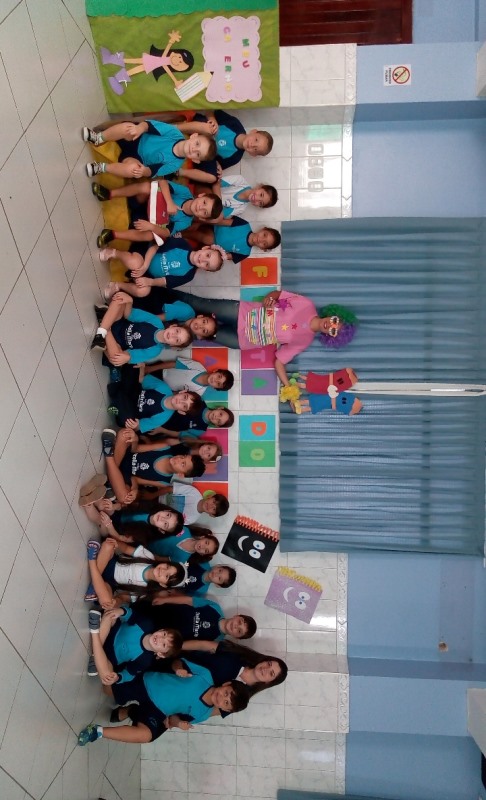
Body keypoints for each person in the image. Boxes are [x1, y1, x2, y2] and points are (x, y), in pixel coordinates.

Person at [157, 288, 359, 384]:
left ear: (331, 336)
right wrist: (269, 300)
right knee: (199, 304)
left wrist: (288, 389)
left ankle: (156, 333)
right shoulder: (307, 304)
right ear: (332, 314)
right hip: (241, 312)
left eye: (334, 330)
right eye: (335, 320)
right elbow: (277, 294)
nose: (330, 325)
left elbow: (279, 362)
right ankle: (157, 293)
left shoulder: (304, 341)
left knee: (197, 333)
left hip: (241, 340)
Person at [77, 664, 250, 744]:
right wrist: (178, 669)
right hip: (147, 683)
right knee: (106, 689)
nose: (221, 698)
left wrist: (178, 724)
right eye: (226, 693)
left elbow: (172, 719)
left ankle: (97, 732)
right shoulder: (204, 675)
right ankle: (131, 709)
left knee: (146, 736)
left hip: (157, 711)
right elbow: (177, 661)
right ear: (226, 684)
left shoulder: (202, 714)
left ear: (225, 709)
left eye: (226, 703)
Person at [94, 180, 223, 246]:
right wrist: (169, 202)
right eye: (204, 203)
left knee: (150, 236)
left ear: (202, 218)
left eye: (204, 212)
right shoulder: (185, 192)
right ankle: (109, 194)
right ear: (201, 195)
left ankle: (112, 235)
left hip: (144, 220)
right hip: (142, 201)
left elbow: (167, 232)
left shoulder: (186, 222)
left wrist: (151, 226)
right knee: (147, 186)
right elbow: (162, 182)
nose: (200, 208)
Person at [100, 428, 206, 506]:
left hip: (125, 475)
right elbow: (136, 449)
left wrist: (135, 490)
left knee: (124, 498)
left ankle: (109, 455)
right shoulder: (164, 448)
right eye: (183, 457)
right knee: (125, 434)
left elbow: (135, 479)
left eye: (182, 464)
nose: (178, 459)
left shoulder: (164, 482)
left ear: (180, 474)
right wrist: (135, 439)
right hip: (125, 454)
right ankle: (111, 478)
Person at [82, 119, 216, 179]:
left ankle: (101, 167)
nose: (193, 149)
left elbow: (153, 171)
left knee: (133, 170)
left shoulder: (175, 165)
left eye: (197, 154)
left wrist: (143, 171)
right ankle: (98, 138)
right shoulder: (174, 133)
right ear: (194, 136)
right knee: (128, 128)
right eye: (197, 144)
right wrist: (139, 128)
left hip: (136, 158)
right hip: (136, 138)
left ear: (196, 160)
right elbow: (149, 125)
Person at [90, 291, 193, 364]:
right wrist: (129, 301)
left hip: (116, 342)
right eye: (177, 331)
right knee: (121, 299)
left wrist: (126, 358)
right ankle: (102, 332)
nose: (173, 335)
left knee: (116, 360)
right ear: (173, 326)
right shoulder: (155, 322)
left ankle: (105, 324)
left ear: (173, 345)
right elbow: (129, 315)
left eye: (177, 340)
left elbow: (129, 356)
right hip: (117, 322)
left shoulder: (154, 351)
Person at [170, 640, 288, 703]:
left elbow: (211, 709)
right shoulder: (239, 654)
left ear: (269, 682)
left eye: (271, 673)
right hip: (175, 659)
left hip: (176, 689)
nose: (266, 669)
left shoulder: (242, 697)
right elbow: (203, 645)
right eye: (269, 664)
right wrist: (173, 648)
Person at [175, 110, 273, 185]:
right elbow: (210, 111)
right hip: (200, 131)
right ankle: (175, 128)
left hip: (202, 153)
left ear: (253, 154)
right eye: (256, 140)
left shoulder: (236, 158)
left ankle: (180, 172)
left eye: (255, 149)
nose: (252, 145)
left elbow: (216, 161)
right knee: (208, 129)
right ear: (253, 131)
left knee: (213, 178)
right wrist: (212, 120)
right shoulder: (235, 124)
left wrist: (218, 166)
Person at [87, 605, 182, 682]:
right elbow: (130, 613)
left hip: (109, 656)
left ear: (160, 654)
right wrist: (120, 611)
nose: (160, 639)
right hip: (111, 630)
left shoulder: (145, 661)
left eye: (164, 644)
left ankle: (95, 636)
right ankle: (96, 654)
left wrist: (118, 677)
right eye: (164, 634)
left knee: (107, 676)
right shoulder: (146, 624)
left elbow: (130, 674)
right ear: (161, 630)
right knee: (110, 615)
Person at [85, 537, 186, 609]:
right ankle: (94, 579)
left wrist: (115, 603)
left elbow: (122, 598)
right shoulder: (148, 556)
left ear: (163, 584)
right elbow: (125, 548)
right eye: (167, 567)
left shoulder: (144, 592)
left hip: (109, 582)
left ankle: (93, 563)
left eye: (167, 576)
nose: (163, 570)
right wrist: (117, 544)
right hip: (110, 562)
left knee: (107, 602)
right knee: (108, 545)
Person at [98, 239, 224, 295]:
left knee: (143, 291)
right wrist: (145, 265)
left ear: (204, 269)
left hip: (148, 275)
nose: (203, 259)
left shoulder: (189, 275)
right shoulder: (182, 244)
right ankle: (114, 253)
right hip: (145, 256)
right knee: (135, 263)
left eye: (206, 264)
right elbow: (155, 247)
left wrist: (149, 282)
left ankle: (118, 285)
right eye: (207, 255)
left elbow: (165, 281)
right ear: (205, 248)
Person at [132, 596, 257, 649]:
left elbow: (192, 645)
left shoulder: (215, 641)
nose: (235, 626)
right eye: (239, 622)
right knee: (132, 611)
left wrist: (171, 649)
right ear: (237, 616)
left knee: (135, 632)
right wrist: (165, 599)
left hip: (162, 634)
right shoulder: (215, 607)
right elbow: (188, 600)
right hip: (164, 611)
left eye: (239, 631)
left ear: (236, 637)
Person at [99, 30, 194, 94]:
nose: (178, 60)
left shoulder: (166, 64)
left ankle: (117, 77)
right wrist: (171, 41)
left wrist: (175, 81)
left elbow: (167, 69)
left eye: (180, 62)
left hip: (151, 64)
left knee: (136, 68)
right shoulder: (166, 58)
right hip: (151, 60)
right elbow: (165, 53)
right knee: (134, 61)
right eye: (180, 57)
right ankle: (111, 61)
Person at [187, 216, 281, 264]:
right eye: (264, 235)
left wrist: (217, 254)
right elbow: (221, 221)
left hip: (212, 247)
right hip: (212, 228)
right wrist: (201, 222)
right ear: (263, 229)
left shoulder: (245, 253)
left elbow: (224, 257)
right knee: (208, 238)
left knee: (209, 242)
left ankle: (184, 236)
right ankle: (184, 232)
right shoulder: (244, 225)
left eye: (264, 243)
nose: (261, 240)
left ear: (263, 249)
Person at [143, 356, 234, 397]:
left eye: (218, 384)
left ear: (215, 388)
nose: (215, 380)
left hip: (160, 387)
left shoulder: (198, 393)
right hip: (160, 371)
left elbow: (176, 395)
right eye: (219, 376)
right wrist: (150, 369)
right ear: (216, 371)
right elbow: (173, 364)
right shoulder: (198, 367)